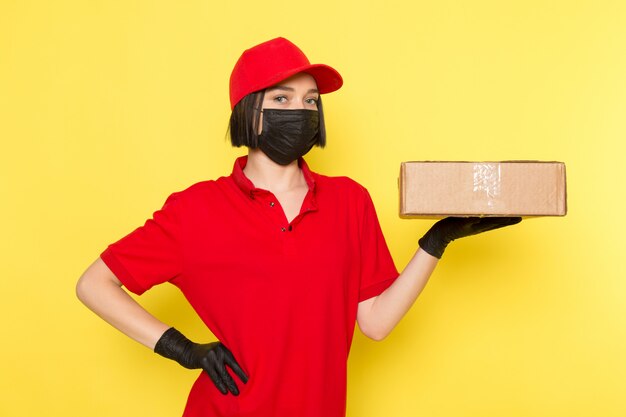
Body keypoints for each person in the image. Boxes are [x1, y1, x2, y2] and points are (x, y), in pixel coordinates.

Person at [76, 37, 521, 417]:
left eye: (311, 101)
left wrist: (434, 242)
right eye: (282, 99)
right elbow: (95, 284)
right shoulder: (195, 210)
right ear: (249, 113)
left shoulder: (349, 201)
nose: (302, 110)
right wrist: (182, 348)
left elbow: (376, 323)